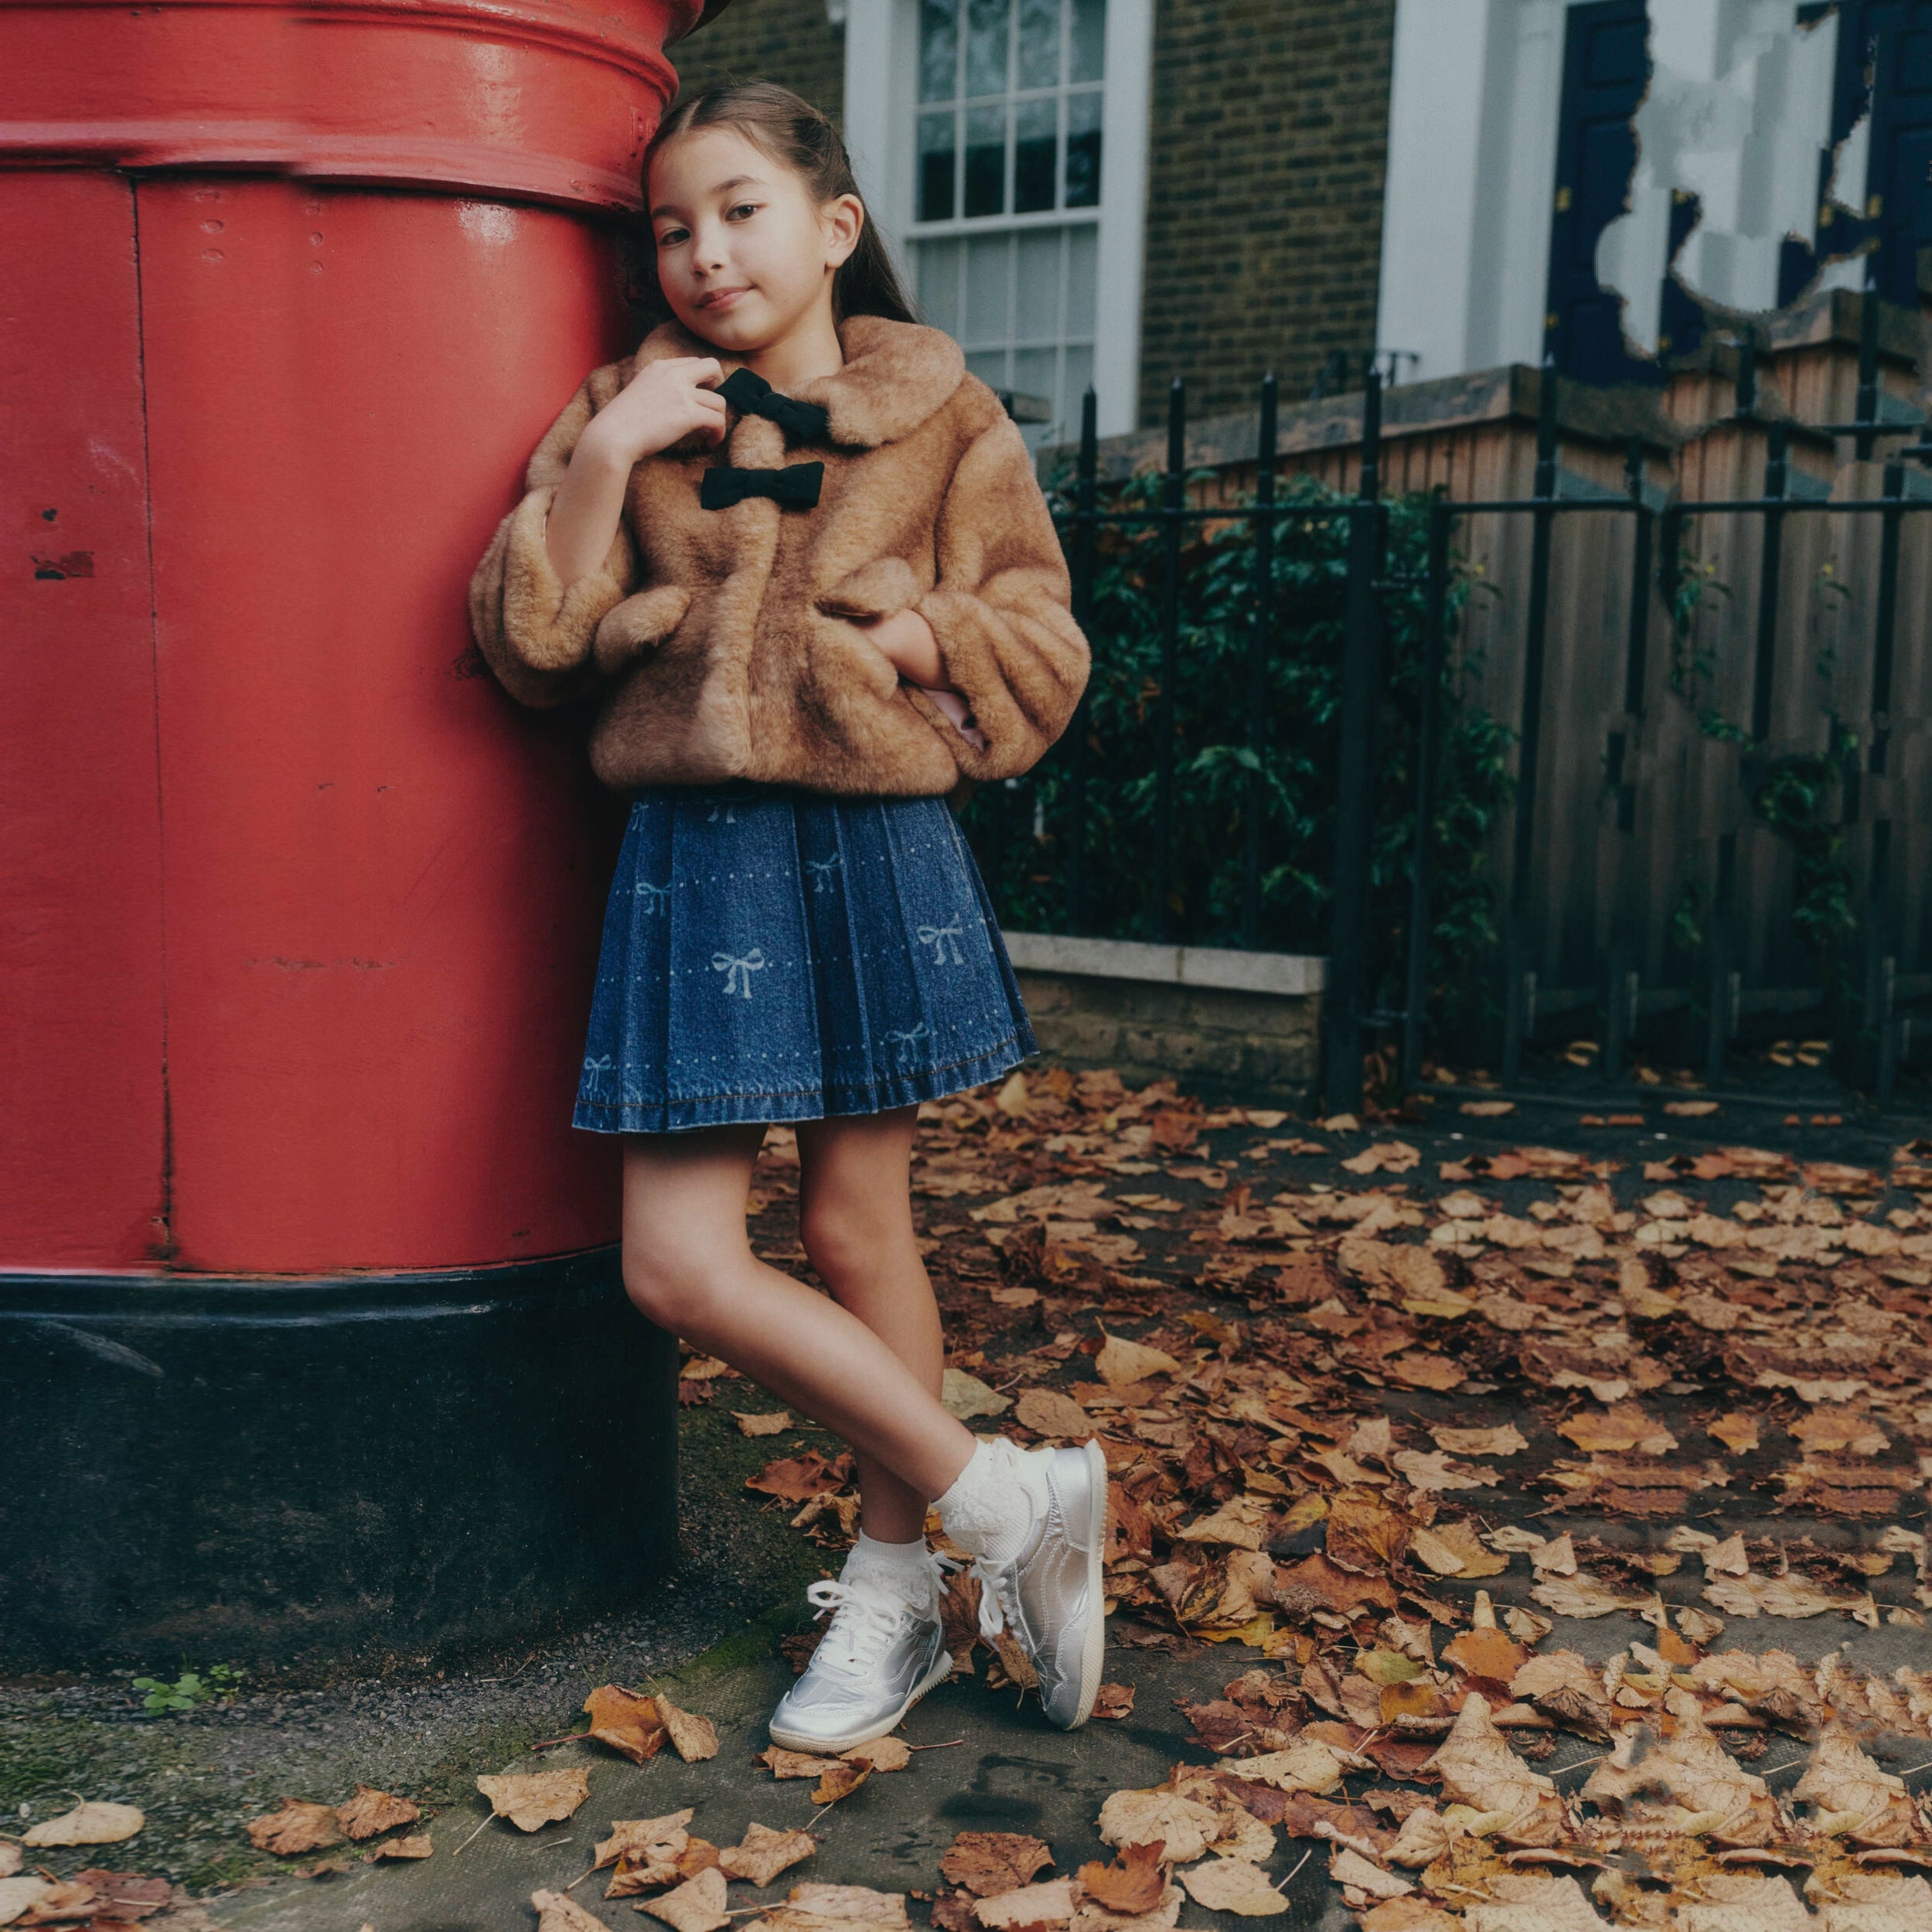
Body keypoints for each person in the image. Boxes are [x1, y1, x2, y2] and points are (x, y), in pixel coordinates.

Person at [467, 80, 1102, 1752]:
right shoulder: (627, 408)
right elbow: (531, 639)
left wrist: (900, 645)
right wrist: (606, 452)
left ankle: (893, 1590)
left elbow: (1037, 634)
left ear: (831, 226)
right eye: (671, 224)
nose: (702, 249)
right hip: (694, 853)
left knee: (852, 1230)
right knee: (675, 1262)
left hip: (866, 845)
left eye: (739, 208)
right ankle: (1002, 1497)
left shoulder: (943, 412)